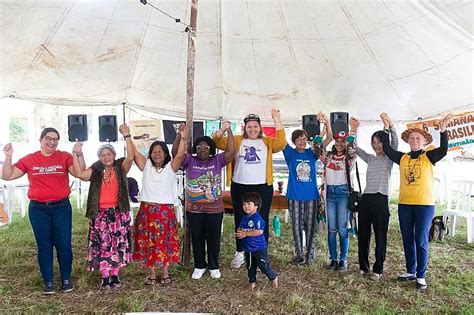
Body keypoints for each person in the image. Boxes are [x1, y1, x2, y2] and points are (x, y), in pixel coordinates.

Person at [1, 127, 84, 294]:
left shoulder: (64, 157)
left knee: (64, 244)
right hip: (38, 209)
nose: (52, 142)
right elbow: (7, 175)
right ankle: (48, 281)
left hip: (61, 207)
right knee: (44, 246)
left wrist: (78, 154)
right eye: (48, 138)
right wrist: (8, 156)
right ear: (41, 140)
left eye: (55, 139)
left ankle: (66, 279)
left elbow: (79, 173)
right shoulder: (30, 159)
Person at [380, 113, 454, 290]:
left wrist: (443, 130)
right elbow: (388, 149)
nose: (414, 140)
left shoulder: (429, 156)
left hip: (424, 204)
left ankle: (421, 275)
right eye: (412, 138)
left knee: (420, 239)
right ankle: (411, 270)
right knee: (407, 238)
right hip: (405, 204)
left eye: (418, 138)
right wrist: (387, 126)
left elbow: (444, 150)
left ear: (424, 141)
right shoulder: (403, 158)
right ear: (408, 141)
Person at [213, 109, 287, 269]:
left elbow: (281, 143)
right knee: (240, 218)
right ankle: (240, 252)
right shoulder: (238, 140)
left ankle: (261, 253)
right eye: (249, 127)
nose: (252, 130)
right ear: (244, 128)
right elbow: (217, 142)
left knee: (262, 219)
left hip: (262, 186)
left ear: (260, 128)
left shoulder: (267, 142)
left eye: (255, 126)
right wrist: (223, 129)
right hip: (240, 185)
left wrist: (277, 119)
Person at [71, 124, 134, 289]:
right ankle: (105, 277)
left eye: (109, 154)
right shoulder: (96, 170)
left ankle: (115, 276)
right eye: (103, 155)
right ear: (99, 157)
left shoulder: (121, 168)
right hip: (100, 215)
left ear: (114, 155)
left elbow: (131, 156)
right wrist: (76, 154)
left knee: (118, 245)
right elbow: (79, 174)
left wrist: (127, 136)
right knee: (103, 246)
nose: (106, 157)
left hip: (118, 213)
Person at [172, 122, 235, 279]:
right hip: (194, 209)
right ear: (195, 149)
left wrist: (229, 131)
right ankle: (200, 265)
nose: (202, 150)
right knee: (197, 237)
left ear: (211, 149)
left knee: (213, 237)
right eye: (199, 147)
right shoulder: (189, 160)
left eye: (206, 147)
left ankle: (214, 266)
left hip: (214, 209)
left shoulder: (217, 160)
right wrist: (181, 136)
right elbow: (175, 154)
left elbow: (231, 151)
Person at [131, 127, 187, 285]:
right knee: (148, 241)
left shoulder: (171, 167)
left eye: (160, 151)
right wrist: (127, 136)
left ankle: (165, 272)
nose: (156, 154)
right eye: (154, 152)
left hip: (164, 211)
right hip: (147, 211)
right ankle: (151, 273)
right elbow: (134, 153)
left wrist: (182, 138)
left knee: (164, 242)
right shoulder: (146, 165)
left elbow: (180, 155)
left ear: (165, 154)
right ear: (150, 154)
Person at [352, 113, 398, 280]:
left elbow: (394, 142)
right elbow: (354, 148)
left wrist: (390, 124)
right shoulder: (370, 159)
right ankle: (363, 266)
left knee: (380, 235)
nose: (377, 145)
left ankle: (378, 269)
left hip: (380, 198)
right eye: (374, 143)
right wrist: (354, 130)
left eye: (379, 143)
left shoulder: (389, 158)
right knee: (363, 234)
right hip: (366, 199)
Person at [283, 112, 332, 266]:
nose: (302, 141)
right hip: (294, 196)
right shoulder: (290, 153)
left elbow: (329, 139)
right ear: (294, 141)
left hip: (311, 196)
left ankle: (310, 256)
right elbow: (280, 139)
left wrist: (327, 123)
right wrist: (277, 119)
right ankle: (298, 255)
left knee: (311, 228)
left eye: (304, 139)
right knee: (296, 228)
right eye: (298, 139)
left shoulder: (313, 153)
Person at [315, 117, 356, 272]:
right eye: (337, 141)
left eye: (342, 141)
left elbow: (352, 147)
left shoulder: (349, 157)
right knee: (331, 229)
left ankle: (343, 260)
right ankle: (333, 259)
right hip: (330, 194)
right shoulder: (329, 157)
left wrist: (352, 130)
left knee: (343, 228)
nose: (339, 144)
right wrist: (326, 128)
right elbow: (317, 147)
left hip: (343, 193)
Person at [236, 192, 278, 290]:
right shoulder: (244, 218)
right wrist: (240, 232)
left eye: (249, 204)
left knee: (263, 265)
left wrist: (246, 234)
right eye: (244, 204)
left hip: (259, 248)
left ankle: (273, 277)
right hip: (248, 248)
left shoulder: (257, 218)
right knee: (250, 266)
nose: (246, 206)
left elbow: (259, 231)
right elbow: (240, 228)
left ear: (256, 206)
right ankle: (252, 282)